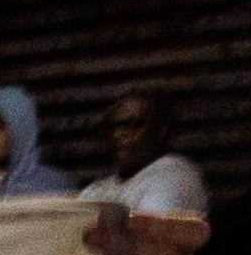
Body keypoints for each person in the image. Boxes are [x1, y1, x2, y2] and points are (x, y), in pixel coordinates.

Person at [83, 88, 209, 217]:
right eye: (113, 127)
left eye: (132, 124)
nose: (118, 134)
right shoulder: (99, 188)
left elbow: (146, 232)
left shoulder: (174, 176)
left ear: (161, 131)